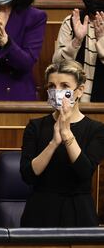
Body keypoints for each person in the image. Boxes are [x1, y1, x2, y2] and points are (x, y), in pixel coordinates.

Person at [20, 60, 104, 227]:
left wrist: (66, 133)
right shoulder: (35, 127)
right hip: (40, 210)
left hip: (78, 211)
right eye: (52, 86)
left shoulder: (96, 129)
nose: (56, 91)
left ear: (79, 90)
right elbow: (28, 175)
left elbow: (84, 172)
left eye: (64, 86)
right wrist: (53, 142)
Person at [52, 0, 104, 102]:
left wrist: (101, 41)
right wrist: (76, 41)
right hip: (68, 103)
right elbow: (56, 65)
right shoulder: (71, 21)